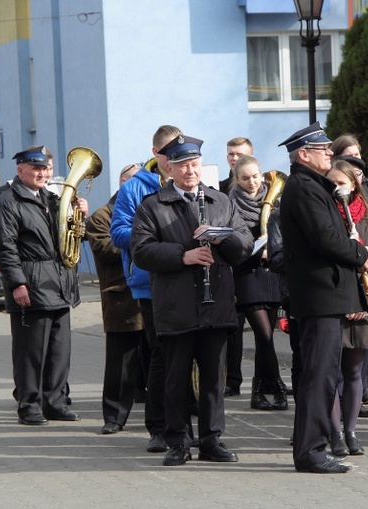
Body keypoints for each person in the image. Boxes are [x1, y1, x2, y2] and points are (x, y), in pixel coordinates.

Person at [131, 134, 253, 466]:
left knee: (214, 378)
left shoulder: (221, 202)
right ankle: (179, 442)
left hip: (216, 303)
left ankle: (212, 440)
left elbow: (244, 243)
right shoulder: (154, 205)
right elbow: (141, 250)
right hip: (177, 304)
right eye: (183, 165)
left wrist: (221, 238)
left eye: (195, 164)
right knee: (176, 378)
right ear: (168, 167)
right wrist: (183, 255)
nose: (191, 171)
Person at [279, 122, 368, 474]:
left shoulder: (312, 186)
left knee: (320, 376)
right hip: (319, 296)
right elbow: (324, 239)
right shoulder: (304, 188)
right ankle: (311, 452)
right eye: (323, 150)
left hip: (325, 296)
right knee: (319, 377)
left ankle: (312, 448)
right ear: (304, 155)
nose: (330, 155)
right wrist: (359, 253)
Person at [0, 145, 86, 425]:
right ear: (20, 170)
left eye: (44, 168)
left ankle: (55, 402)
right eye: (36, 168)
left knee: (59, 351)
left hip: (58, 283)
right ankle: (29, 405)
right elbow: (4, 248)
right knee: (30, 352)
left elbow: (72, 234)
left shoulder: (52, 198)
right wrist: (17, 283)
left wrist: (80, 214)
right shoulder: (8, 201)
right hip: (31, 284)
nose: (42, 173)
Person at [111, 125, 182, 453]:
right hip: (148, 280)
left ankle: (183, 422)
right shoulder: (135, 188)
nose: (175, 159)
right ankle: (157, 427)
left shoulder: (190, 179)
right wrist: (152, 238)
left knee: (184, 354)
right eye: (169, 152)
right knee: (159, 354)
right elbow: (118, 233)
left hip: (185, 278)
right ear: (156, 154)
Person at [325, 160, 368, 456]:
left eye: (342, 184)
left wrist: (363, 301)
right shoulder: (325, 217)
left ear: (354, 185)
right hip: (335, 303)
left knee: (354, 372)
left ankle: (351, 431)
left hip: (360, 306)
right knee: (332, 373)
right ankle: (334, 433)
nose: (337, 189)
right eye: (332, 183)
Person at [86, 163, 145, 434]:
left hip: (151, 294)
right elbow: (107, 249)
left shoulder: (148, 207)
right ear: (123, 182)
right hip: (121, 297)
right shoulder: (101, 216)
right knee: (120, 363)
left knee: (155, 359)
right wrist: (146, 241)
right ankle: (114, 416)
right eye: (134, 181)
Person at [227, 154, 287, 411]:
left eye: (255, 176)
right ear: (236, 179)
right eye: (245, 178)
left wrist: (273, 247)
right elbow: (230, 241)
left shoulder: (274, 199)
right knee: (263, 335)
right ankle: (275, 385)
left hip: (271, 273)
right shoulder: (231, 204)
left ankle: (258, 391)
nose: (251, 182)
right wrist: (253, 247)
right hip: (247, 273)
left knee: (268, 338)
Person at [220, 137, 254, 396]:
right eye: (231, 154)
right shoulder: (219, 188)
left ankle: (249, 379)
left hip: (253, 268)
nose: (234, 158)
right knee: (230, 328)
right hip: (228, 268)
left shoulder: (262, 187)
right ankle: (229, 379)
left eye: (240, 154)